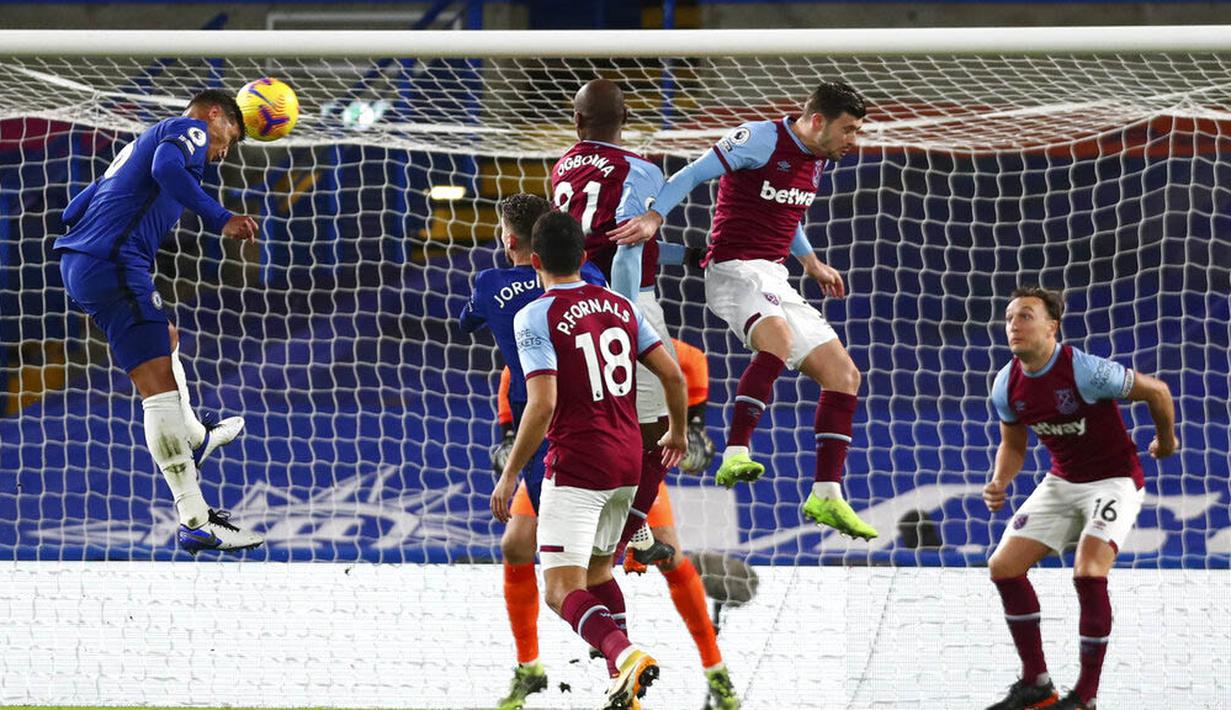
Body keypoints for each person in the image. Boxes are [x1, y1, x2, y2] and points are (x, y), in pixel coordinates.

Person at [610, 81, 877, 540]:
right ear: (817, 121)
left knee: (844, 376)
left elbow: (786, 214)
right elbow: (691, 175)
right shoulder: (760, 139)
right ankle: (735, 451)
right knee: (779, 340)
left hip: (773, 275)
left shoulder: (816, 160)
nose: (853, 140)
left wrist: (810, 261)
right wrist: (655, 217)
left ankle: (827, 494)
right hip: (734, 269)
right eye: (849, 129)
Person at [490, 211, 688, 710]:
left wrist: (512, 473)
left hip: (578, 463)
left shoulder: (534, 314)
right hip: (628, 460)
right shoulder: (621, 305)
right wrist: (680, 432)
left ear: (534, 260)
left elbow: (543, 403)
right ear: (584, 257)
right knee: (599, 577)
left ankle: (627, 656)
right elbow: (674, 376)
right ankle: (622, 686)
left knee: (559, 591)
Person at [54, 89, 263, 553]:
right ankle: (194, 518)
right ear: (214, 115)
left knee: (164, 339)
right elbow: (165, 170)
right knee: (158, 387)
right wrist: (221, 217)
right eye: (231, 133)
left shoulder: (140, 143)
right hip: (112, 261)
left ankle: (197, 436)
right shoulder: (186, 129)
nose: (226, 149)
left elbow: (72, 210)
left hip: (85, 264)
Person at [493, 336, 738, 709]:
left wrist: (691, 427)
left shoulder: (654, 343)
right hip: (565, 462)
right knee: (516, 542)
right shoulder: (543, 345)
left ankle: (715, 670)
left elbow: (686, 369)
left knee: (666, 555)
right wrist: (510, 447)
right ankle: (530, 667)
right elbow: (515, 389)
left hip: (627, 462)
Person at [983, 286, 1176, 710]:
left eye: (1026, 316)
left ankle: (1085, 697)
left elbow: (1158, 392)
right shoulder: (1005, 383)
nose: (1014, 324)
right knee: (1003, 567)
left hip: (1114, 480)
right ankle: (1036, 684)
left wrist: (1166, 440)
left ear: (1052, 327)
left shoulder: (1084, 371)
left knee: (1089, 573)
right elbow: (1013, 446)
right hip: (1062, 482)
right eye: (1010, 317)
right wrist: (1000, 481)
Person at [458, 192, 605, 710]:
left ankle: (618, 655)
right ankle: (531, 668)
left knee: (579, 566)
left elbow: (467, 322)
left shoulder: (490, 283)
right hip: (603, 412)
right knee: (517, 545)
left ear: (510, 240)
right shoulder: (592, 284)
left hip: (549, 425)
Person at [551, 78, 686, 565]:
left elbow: (601, 236)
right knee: (656, 431)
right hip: (626, 306)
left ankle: (612, 528)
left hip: (571, 305)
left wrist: (687, 255)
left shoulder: (563, 166)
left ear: (577, 121)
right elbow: (628, 241)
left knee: (590, 419)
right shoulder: (641, 169)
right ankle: (627, 533)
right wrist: (625, 317)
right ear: (627, 120)